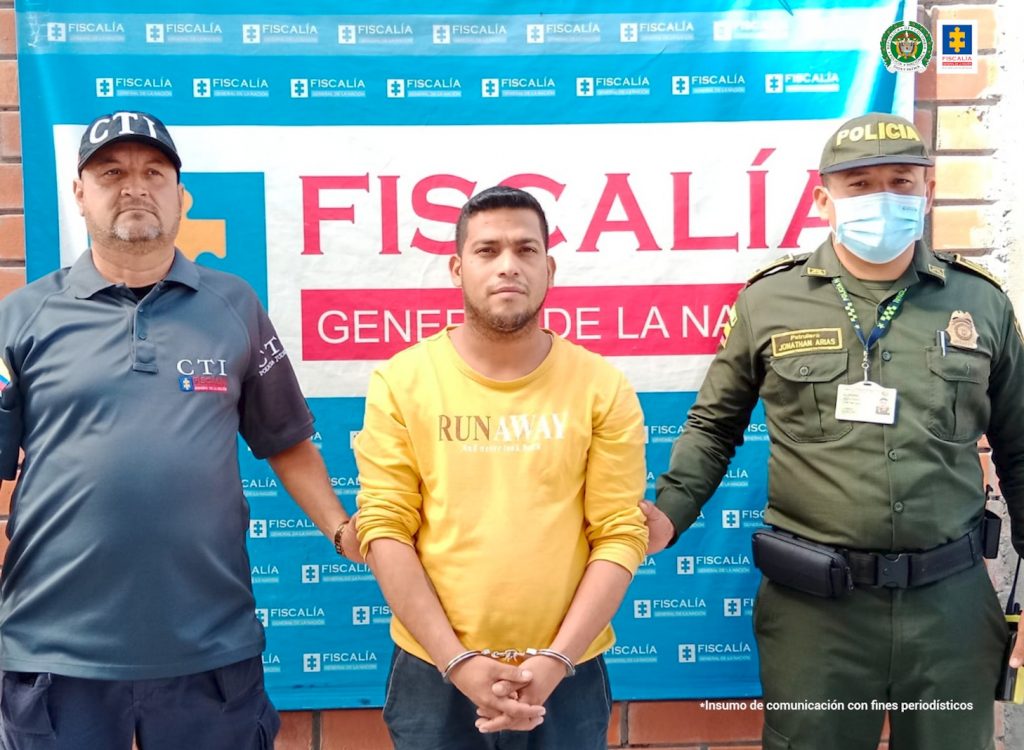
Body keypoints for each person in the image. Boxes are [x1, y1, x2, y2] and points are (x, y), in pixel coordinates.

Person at [643, 112, 1024, 750]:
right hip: (816, 613)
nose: (884, 198)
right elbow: (715, 425)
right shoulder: (770, 300)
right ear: (824, 199)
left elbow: (1019, 447)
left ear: (927, 191)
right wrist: (669, 513)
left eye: (902, 181)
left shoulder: (980, 301)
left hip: (950, 607)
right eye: (860, 183)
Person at [0, 111, 357, 749]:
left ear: (181, 196)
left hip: (209, 648)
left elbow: (286, 441)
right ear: (79, 195)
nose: (134, 186)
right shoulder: (21, 317)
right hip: (54, 650)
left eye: (153, 172)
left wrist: (342, 530)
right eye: (110, 173)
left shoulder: (235, 305)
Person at [350, 185, 649, 749]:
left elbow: (618, 533)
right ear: (458, 268)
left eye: (526, 250)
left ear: (549, 267)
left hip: (569, 669)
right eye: (488, 251)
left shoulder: (600, 386)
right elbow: (386, 527)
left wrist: (555, 660)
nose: (508, 266)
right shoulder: (403, 381)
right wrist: (457, 660)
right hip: (433, 668)